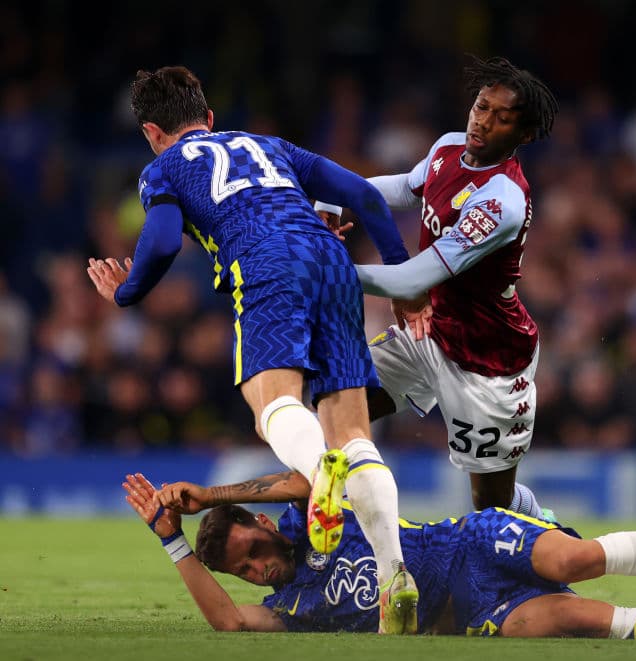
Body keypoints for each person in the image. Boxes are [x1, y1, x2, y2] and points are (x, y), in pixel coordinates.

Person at [85, 66, 420, 633]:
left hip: (265, 265)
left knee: (273, 412)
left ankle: (320, 475)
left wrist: (127, 290)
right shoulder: (269, 145)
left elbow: (163, 239)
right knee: (353, 432)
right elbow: (364, 195)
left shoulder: (162, 168)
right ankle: (394, 580)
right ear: (209, 119)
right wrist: (403, 279)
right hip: (331, 263)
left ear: (151, 131)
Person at [125, 470, 636, 640]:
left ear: (257, 524)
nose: (256, 570)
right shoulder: (295, 608)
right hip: (473, 609)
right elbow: (229, 623)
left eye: (249, 551)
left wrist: (204, 494)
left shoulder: (309, 523)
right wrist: (170, 538)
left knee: (576, 561)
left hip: (467, 540)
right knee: (587, 620)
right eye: (242, 572)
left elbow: (308, 477)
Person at [324, 55, 561, 518]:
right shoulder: (449, 147)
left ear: (524, 134)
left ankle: (548, 532)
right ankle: (337, 518)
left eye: (502, 117)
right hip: (428, 330)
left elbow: (414, 278)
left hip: (486, 357)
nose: (483, 122)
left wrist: (327, 269)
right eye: (480, 107)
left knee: (491, 508)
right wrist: (337, 196)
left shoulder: (501, 202)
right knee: (335, 401)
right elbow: (401, 189)